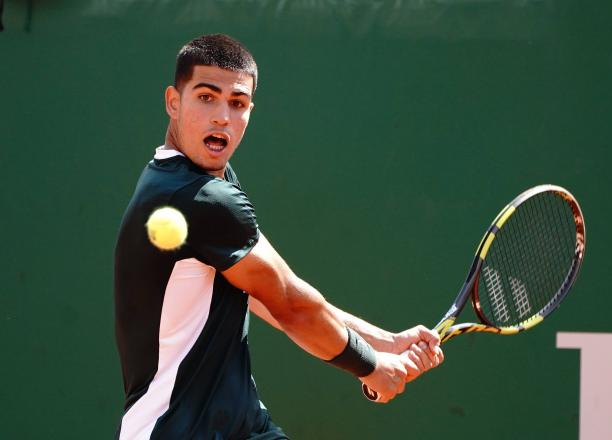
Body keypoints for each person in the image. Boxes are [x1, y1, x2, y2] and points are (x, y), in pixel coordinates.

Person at [114, 33, 443, 440]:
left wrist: (384, 341)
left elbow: (274, 291)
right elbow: (292, 305)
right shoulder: (200, 198)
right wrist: (372, 367)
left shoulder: (207, 181)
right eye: (206, 96)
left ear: (250, 111)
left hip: (241, 426)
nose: (221, 116)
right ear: (173, 102)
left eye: (236, 103)